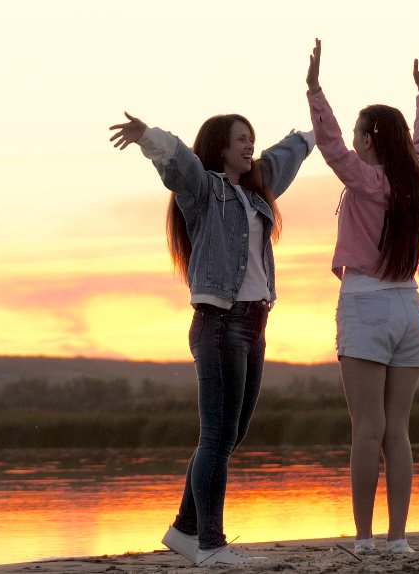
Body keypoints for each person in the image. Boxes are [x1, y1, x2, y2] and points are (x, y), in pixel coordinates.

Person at [108, 110, 315, 565]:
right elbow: (180, 162)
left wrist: (319, 130)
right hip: (220, 322)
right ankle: (210, 543)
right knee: (217, 436)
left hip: (255, 324)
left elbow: (286, 156)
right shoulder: (205, 191)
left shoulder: (257, 191)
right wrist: (149, 137)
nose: (249, 146)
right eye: (241, 139)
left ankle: (185, 530)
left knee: (230, 434)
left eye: (252, 140)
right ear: (220, 146)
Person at [304, 38, 419, 555]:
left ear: (371, 140)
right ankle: (398, 539)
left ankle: (363, 539)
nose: (354, 142)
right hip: (409, 306)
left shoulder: (366, 180)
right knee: (397, 431)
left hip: (366, 304)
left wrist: (315, 89)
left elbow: (329, 144)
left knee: (367, 430)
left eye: (361, 134)